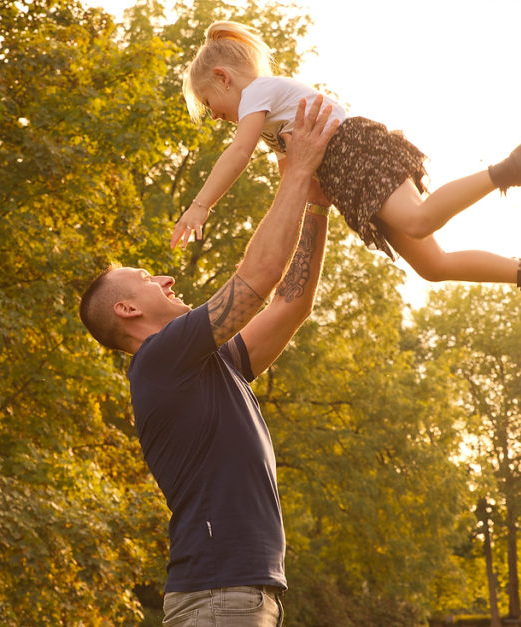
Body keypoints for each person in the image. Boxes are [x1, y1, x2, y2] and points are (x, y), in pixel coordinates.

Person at [80, 96, 338, 626]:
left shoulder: (205, 368)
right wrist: (299, 169)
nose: (168, 279)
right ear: (127, 310)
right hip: (221, 595)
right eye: (150, 279)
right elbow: (259, 277)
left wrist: (316, 203)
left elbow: (292, 302)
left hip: (234, 595)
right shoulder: (159, 358)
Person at [172, 21, 521, 335]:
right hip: (344, 176)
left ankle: (518, 165)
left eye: (209, 105)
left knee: (419, 219)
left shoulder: (258, 93)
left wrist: (199, 206)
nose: (215, 116)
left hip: (354, 152)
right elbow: (292, 182)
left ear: (224, 77)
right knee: (433, 266)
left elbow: (237, 153)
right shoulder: (269, 123)